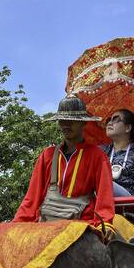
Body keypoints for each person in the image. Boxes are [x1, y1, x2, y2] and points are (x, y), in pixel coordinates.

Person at [14, 95, 115, 233]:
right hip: (46, 221)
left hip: (82, 222)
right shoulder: (47, 155)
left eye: (71, 120)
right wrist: (18, 222)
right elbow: (32, 196)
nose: (66, 124)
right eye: (62, 120)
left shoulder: (97, 156)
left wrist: (105, 223)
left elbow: (104, 196)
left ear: (84, 123)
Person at [102, 109, 134, 198]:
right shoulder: (101, 151)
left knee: (102, 181)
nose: (110, 123)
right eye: (109, 120)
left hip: (126, 200)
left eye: (116, 119)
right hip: (101, 196)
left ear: (128, 128)